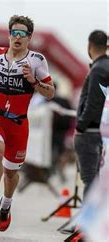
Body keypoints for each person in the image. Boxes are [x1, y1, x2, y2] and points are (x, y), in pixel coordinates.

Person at [0, 15, 55, 231]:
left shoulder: (37, 60)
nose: (17, 37)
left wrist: (34, 82)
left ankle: (6, 205)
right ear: (9, 35)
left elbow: (51, 92)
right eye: (14, 33)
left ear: (29, 38)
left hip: (18, 124)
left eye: (22, 34)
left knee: (10, 172)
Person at [75, 30, 109, 197]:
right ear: (107, 46)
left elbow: (93, 103)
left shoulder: (97, 69)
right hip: (103, 130)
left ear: (89, 45)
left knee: (90, 180)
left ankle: (88, 223)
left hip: (91, 131)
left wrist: (80, 126)